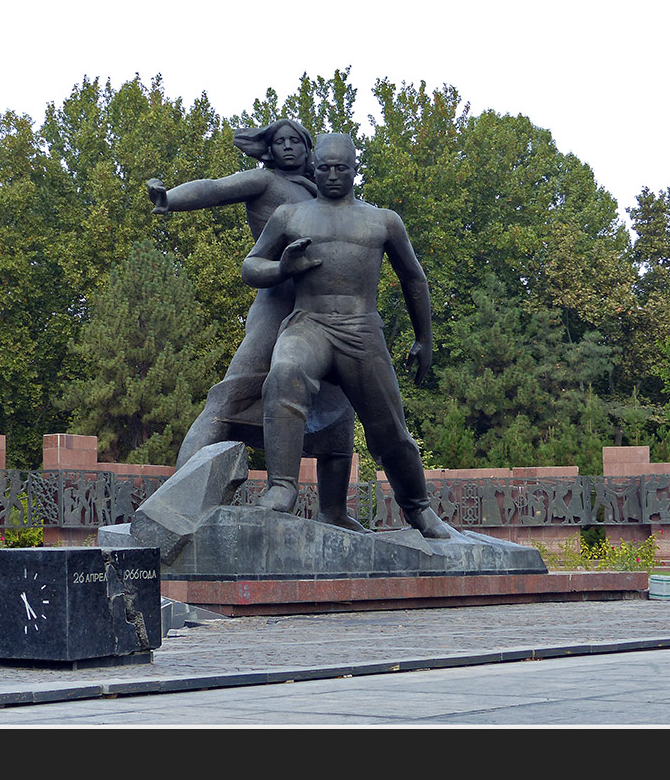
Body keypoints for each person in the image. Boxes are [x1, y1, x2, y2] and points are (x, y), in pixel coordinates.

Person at [147, 118, 358, 527]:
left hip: (323, 313)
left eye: (297, 141)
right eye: (280, 142)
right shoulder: (264, 184)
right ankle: (178, 498)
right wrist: (170, 198)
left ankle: (334, 511)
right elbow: (214, 187)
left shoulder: (321, 192)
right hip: (276, 303)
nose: (289, 148)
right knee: (230, 395)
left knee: (337, 408)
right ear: (268, 149)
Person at [241, 133, 450, 539]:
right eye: (324, 168)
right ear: (313, 168)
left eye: (342, 168)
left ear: (356, 169)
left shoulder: (383, 219)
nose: (332, 175)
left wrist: (424, 339)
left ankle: (420, 509)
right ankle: (281, 487)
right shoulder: (289, 216)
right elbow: (251, 267)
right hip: (309, 323)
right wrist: (282, 268)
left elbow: (414, 279)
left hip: (362, 331)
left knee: (390, 428)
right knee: (284, 374)